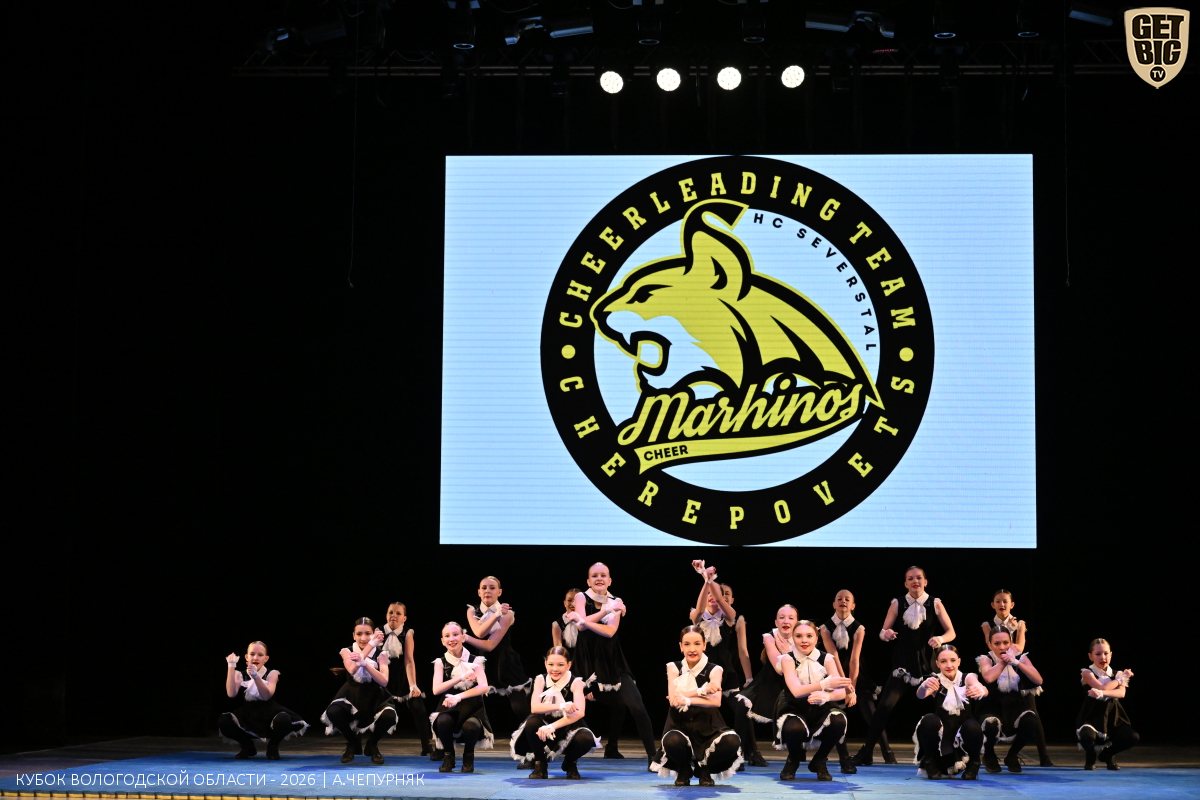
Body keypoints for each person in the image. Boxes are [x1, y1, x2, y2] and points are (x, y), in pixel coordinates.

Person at [852, 565, 956, 766]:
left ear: (925, 581)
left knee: (944, 707)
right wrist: (886, 634)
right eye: (910, 578)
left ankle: (947, 754)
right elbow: (882, 632)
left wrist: (940, 639)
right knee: (883, 708)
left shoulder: (935, 603)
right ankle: (867, 752)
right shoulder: (897, 604)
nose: (915, 581)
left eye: (919, 577)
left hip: (928, 665)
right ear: (905, 583)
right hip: (903, 665)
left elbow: (951, 632)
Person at [567, 562, 657, 767]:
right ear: (588, 580)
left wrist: (585, 620)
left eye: (603, 575)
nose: (599, 578)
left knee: (636, 705)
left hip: (612, 661)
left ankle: (653, 756)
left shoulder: (616, 601)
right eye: (595, 575)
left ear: (609, 580)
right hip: (587, 663)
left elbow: (609, 631)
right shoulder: (581, 597)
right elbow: (581, 628)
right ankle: (546, 755)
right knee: (569, 706)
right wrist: (605, 611)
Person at [651, 626, 743, 786]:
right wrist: (702, 691)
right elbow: (673, 699)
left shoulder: (715, 669)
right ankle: (684, 768)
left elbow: (715, 701)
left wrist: (687, 698)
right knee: (672, 741)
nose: (692, 649)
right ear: (681, 646)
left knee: (732, 740)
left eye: (697, 644)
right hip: (679, 725)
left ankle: (704, 769)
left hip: (709, 727)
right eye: (687, 644)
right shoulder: (673, 667)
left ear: (704, 645)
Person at [819, 589, 892, 772]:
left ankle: (888, 753)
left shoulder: (859, 628)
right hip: (834, 672)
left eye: (847, 599)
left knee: (871, 714)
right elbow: (833, 657)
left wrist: (851, 687)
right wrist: (844, 686)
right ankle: (839, 756)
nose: (843, 601)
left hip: (857, 673)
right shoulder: (825, 628)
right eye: (839, 599)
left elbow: (854, 659)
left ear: (853, 606)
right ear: (834, 604)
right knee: (833, 713)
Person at [978, 589, 1053, 766]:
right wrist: (1006, 639)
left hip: (1016, 668)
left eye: (1005, 601)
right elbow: (990, 643)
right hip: (998, 667)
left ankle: (1042, 756)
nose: (1002, 604)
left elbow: (1019, 647)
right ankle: (989, 754)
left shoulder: (1019, 623)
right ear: (993, 604)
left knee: (1032, 715)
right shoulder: (987, 625)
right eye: (998, 601)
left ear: (1012, 604)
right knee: (991, 717)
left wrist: (1013, 654)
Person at [773, 620, 853, 782]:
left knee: (838, 720)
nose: (804, 640)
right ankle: (793, 760)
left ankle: (820, 760)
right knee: (793, 728)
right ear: (793, 638)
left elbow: (840, 691)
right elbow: (796, 691)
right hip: (795, 707)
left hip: (821, 707)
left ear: (816, 638)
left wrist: (828, 696)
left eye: (809, 636)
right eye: (799, 636)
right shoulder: (788, 659)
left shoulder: (827, 659)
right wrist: (824, 685)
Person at [509, 646, 600, 779]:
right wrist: (561, 706)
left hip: (568, 726)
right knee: (532, 722)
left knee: (586, 739)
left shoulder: (575, 682)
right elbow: (535, 708)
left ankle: (570, 763)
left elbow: (580, 713)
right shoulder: (540, 679)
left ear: (569, 665)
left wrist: (552, 726)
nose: (555, 669)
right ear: (545, 663)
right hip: (543, 725)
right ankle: (540, 764)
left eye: (560, 665)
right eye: (551, 664)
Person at [321, 618, 398, 765]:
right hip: (351, 694)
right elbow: (352, 669)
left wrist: (365, 664)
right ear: (353, 635)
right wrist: (371, 644)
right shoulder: (347, 651)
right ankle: (353, 742)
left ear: (374, 633)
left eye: (368, 633)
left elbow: (384, 681)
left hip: (375, 695)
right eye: (359, 634)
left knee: (389, 716)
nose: (363, 638)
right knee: (334, 711)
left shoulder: (381, 654)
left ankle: (372, 744)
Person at [687, 561, 752, 725]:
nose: (711, 596)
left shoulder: (729, 617)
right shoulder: (697, 616)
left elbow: (719, 599)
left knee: (742, 710)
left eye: (714, 594)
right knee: (699, 713)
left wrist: (708, 578)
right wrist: (706, 580)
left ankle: (747, 742)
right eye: (708, 594)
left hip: (726, 672)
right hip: (703, 673)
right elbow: (700, 609)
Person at [734, 604, 798, 768]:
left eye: (791, 618)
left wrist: (789, 651)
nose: (786, 621)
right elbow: (778, 668)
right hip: (768, 681)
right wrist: (788, 652)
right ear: (776, 622)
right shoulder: (770, 637)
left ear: (796, 622)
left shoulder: (802, 636)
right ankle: (739, 755)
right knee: (742, 704)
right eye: (782, 617)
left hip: (793, 683)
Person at [219, 642, 307, 760]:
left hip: (270, 713)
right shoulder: (240, 675)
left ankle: (273, 747)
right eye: (252, 654)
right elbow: (231, 694)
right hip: (248, 714)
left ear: (266, 659)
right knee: (224, 721)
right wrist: (231, 666)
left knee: (284, 719)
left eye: (260, 655)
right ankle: (247, 746)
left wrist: (256, 677)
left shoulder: (272, 674)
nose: (255, 658)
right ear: (246, 657)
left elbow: (266, 696)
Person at [912, 645, 986, 780]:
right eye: (943, 661)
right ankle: (930, 762)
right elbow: (920, 695)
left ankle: (974, 763)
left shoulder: (967, 678)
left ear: (959, 661)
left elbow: (980, 687)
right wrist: (924, 685)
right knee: (929, 720)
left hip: (962, 740)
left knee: (972, 725)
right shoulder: (936, 680)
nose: (949, 665)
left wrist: (980, 690)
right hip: (943, 742)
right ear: (937, 664)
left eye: (953, 660)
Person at [976, 627, 1043, 773]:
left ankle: (1012, 755)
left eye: (1006, 643)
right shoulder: (986, 659)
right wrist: (1004, 662)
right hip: (991, 706)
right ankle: (989, 754)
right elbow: (988, 677)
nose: (1002, 647)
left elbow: (1038, 680)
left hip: (1015, 706)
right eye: (997, 643)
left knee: (1032, 721)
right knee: (990, 724)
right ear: (990, 645)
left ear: (1011, 643)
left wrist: (1016, 662)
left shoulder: (1020, 658)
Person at [430, 621, 495, 773]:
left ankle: (468, 758)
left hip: (472, 708)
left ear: (463, 637)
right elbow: (436, 690)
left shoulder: (475, 660)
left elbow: (484, 686)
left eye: (455, 634)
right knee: (442, 720)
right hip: (449, 708)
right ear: (442, 641)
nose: (451, 639)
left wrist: (458, 696)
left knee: (470, 726)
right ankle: (448, 756)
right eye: (447, 636)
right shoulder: (441, 662)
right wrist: (460, 677)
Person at [381, 602, 435, 756]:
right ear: (386, 615)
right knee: (371, 709)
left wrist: (413, 686)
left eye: (398, 613)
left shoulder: (407, 633)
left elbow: (409, 660)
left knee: (419, 708)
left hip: (404, 676)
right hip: (384, 676)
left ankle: (426, 745)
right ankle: (361, 744)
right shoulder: (379, 632)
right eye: (391, 612)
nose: (394, 616)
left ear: (404, 618)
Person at [1076, 638, 1138, 770]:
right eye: (1098, 654)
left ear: (1111, 654)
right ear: (1090, 656)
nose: (1103, 657)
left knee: (1132, 737)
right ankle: (1090, 755)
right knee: (1087, 736)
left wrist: (1102, 693)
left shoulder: (1117, 674)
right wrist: (1120, 679)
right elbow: (1102, 686)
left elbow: (1121, 693)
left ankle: (1108, 755)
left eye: (1106, 653)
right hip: (1092, 714)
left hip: (1112, 715)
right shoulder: (1087, 672)